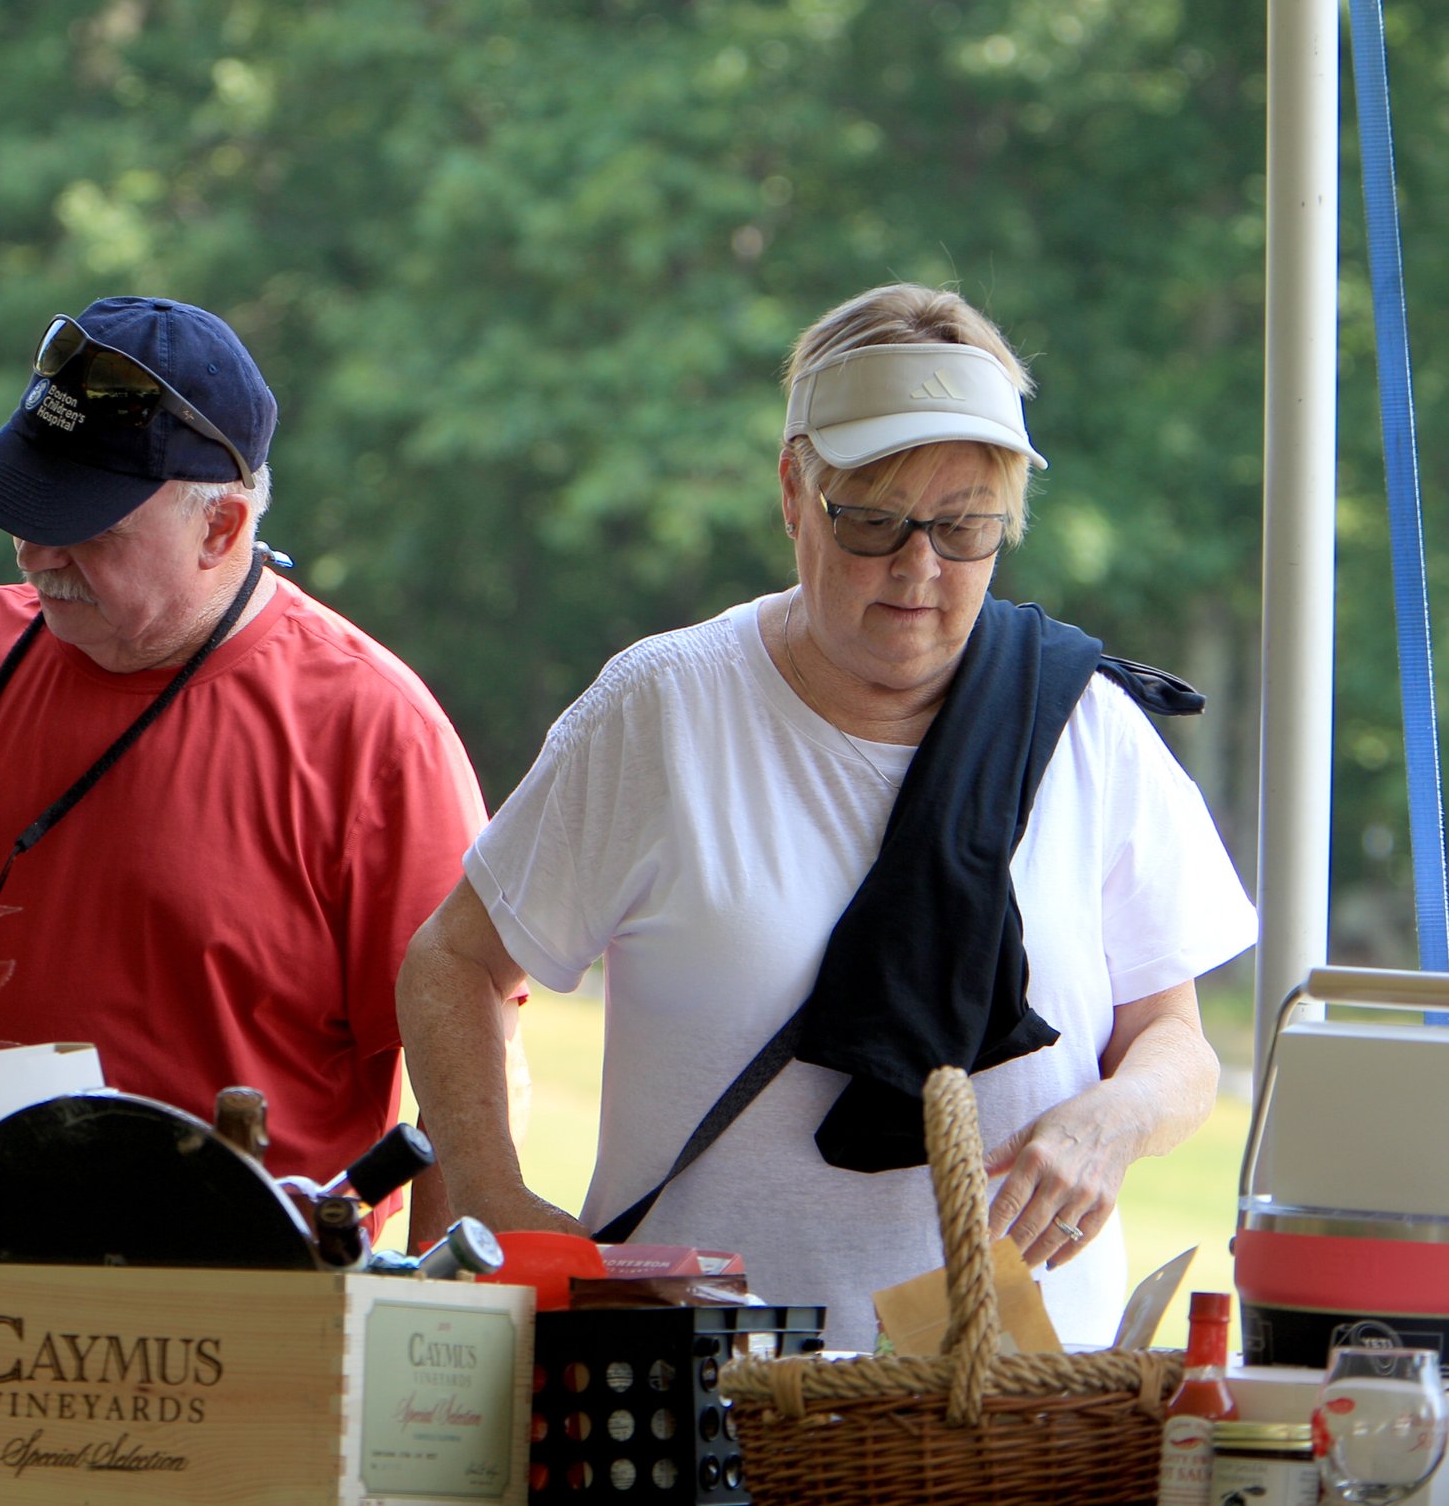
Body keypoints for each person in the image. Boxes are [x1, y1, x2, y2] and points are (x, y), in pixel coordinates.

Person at [397, 283, 1257, 1348]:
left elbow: (1174, 1041)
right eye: (872, 520)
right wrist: (493, 1192)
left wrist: (1112, 1120)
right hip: (713, 1395)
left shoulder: (1087, 727)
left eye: (962, 526)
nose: (918, 566)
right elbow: (453, 960)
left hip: (1021, 1408)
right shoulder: (663, 708)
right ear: (793, 492)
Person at [0, 295, 498, 1209]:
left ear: (221, 527)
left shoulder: (375, 736)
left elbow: (462, 1085)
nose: (33, 549)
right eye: (24, 504)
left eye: (85, 524)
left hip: (223, 1315)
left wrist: (427, 1328)